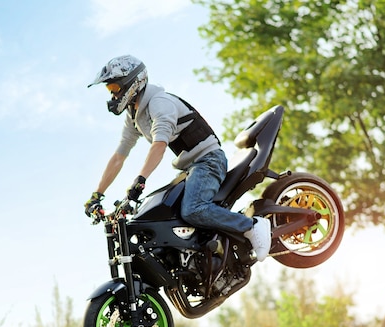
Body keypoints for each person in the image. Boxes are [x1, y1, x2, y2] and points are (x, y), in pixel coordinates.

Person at [84, 55, 271, 261]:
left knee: (194, 209)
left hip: (209, 160)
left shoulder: (159, 103)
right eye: (110, 90)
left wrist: (140, 181)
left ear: (132, 82)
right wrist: (96, 195)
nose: (113, 95)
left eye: (114, 88)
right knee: (163, 212)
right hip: (191, 168)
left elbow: (159, 145)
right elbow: (120, 155)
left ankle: (252, 225)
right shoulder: (134, 115)